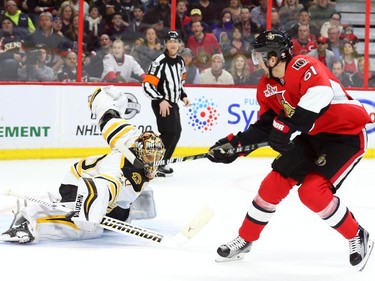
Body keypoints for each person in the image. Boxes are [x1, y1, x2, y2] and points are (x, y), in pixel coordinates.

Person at [207, 29, 374, 271]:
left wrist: (286, 125)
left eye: (260, 56)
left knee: (312, 193)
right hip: (313, 137)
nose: (258, 61)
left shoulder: (303, 65)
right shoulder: (266, 86)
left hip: (345, 136)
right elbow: (266, 125)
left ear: (273, 56)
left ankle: (357, 234)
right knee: (271, 185)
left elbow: (321, 94)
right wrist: (234, 145)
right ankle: (246, 239)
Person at [0, 85, 165, 244]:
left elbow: (108, 116)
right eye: (149, 157)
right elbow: (100, 187)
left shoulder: (130, 136)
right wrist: (89, 215)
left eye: (156, 157)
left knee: (121, 216)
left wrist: (102, 95)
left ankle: (108, 211)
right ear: (139, 152)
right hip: (79, 183)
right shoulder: (117, 169)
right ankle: (27, 221)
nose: (153, 162)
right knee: (86, 229)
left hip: (106, 187)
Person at [142, 31, 191, 177]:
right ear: (165, 44)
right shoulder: (159, 62)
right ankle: (152, 164)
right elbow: (147, 86)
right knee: (169, 133)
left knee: (176, 133)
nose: (173, 44)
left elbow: (179, 83)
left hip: (173, 103)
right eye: (170, 41)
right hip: (161, 103)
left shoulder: (180, 61)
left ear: (179, 44)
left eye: (175, 41)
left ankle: (162, 162)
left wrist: (183, 96)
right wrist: (160, 100)